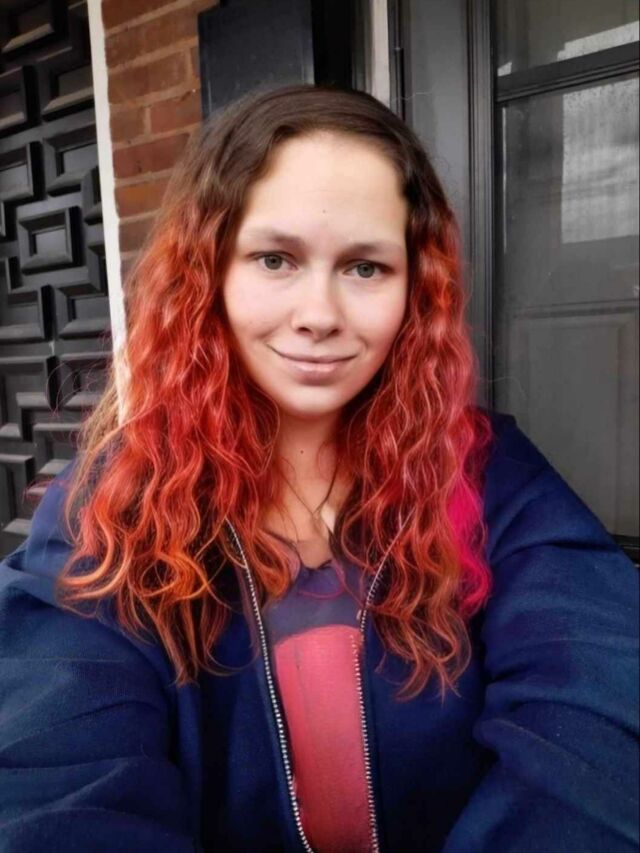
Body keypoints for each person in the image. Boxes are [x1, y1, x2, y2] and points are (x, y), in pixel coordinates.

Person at [0, 84, 637, 853]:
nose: (320, 314)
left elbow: (597, 715)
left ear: (415, 290)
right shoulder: (110, 503)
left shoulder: (487, 474)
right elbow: (54, 780)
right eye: (275, 259)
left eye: (365, 267)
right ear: (209, 272)